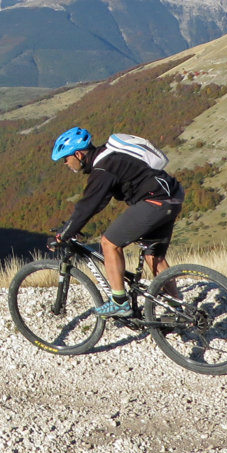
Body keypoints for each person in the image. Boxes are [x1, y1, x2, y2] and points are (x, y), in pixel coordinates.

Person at [50, 126, 185, 317]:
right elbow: (97, 204)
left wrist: (63, 234)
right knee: (154, 256)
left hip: (155, 202)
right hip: (172, 198)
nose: (65, 163)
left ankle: (120, 301)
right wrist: (73, 226)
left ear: (78, 154)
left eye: (65, 159)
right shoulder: (109, 154)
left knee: (109, 243)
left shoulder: (103, 169)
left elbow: (87, 206)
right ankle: (178, 308)